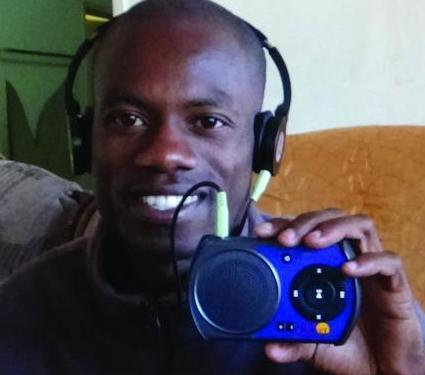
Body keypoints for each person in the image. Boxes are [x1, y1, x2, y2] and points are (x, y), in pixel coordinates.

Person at [0, 1, 423, 374]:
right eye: (127, 119)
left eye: (208, 121)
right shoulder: (20, 313)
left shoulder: (349, 309)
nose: (165, 154)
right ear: (83, 141)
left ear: (266, 147)